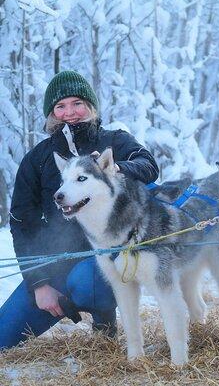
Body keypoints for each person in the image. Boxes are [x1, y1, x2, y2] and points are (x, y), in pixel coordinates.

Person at [0, 70, 159, 349]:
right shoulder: (37, 159)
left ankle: (103, 322)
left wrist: (116, 168)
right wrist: (40, 284)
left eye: (77, 103)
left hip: (104, 257)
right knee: (2, 336)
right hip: (55, 266)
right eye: (60, 106)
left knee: (89, 285)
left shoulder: (114, 141)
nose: (69, 112)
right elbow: (22, 224)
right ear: (51, 113)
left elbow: (148, 166)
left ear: (90, 106)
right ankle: (62, 298)